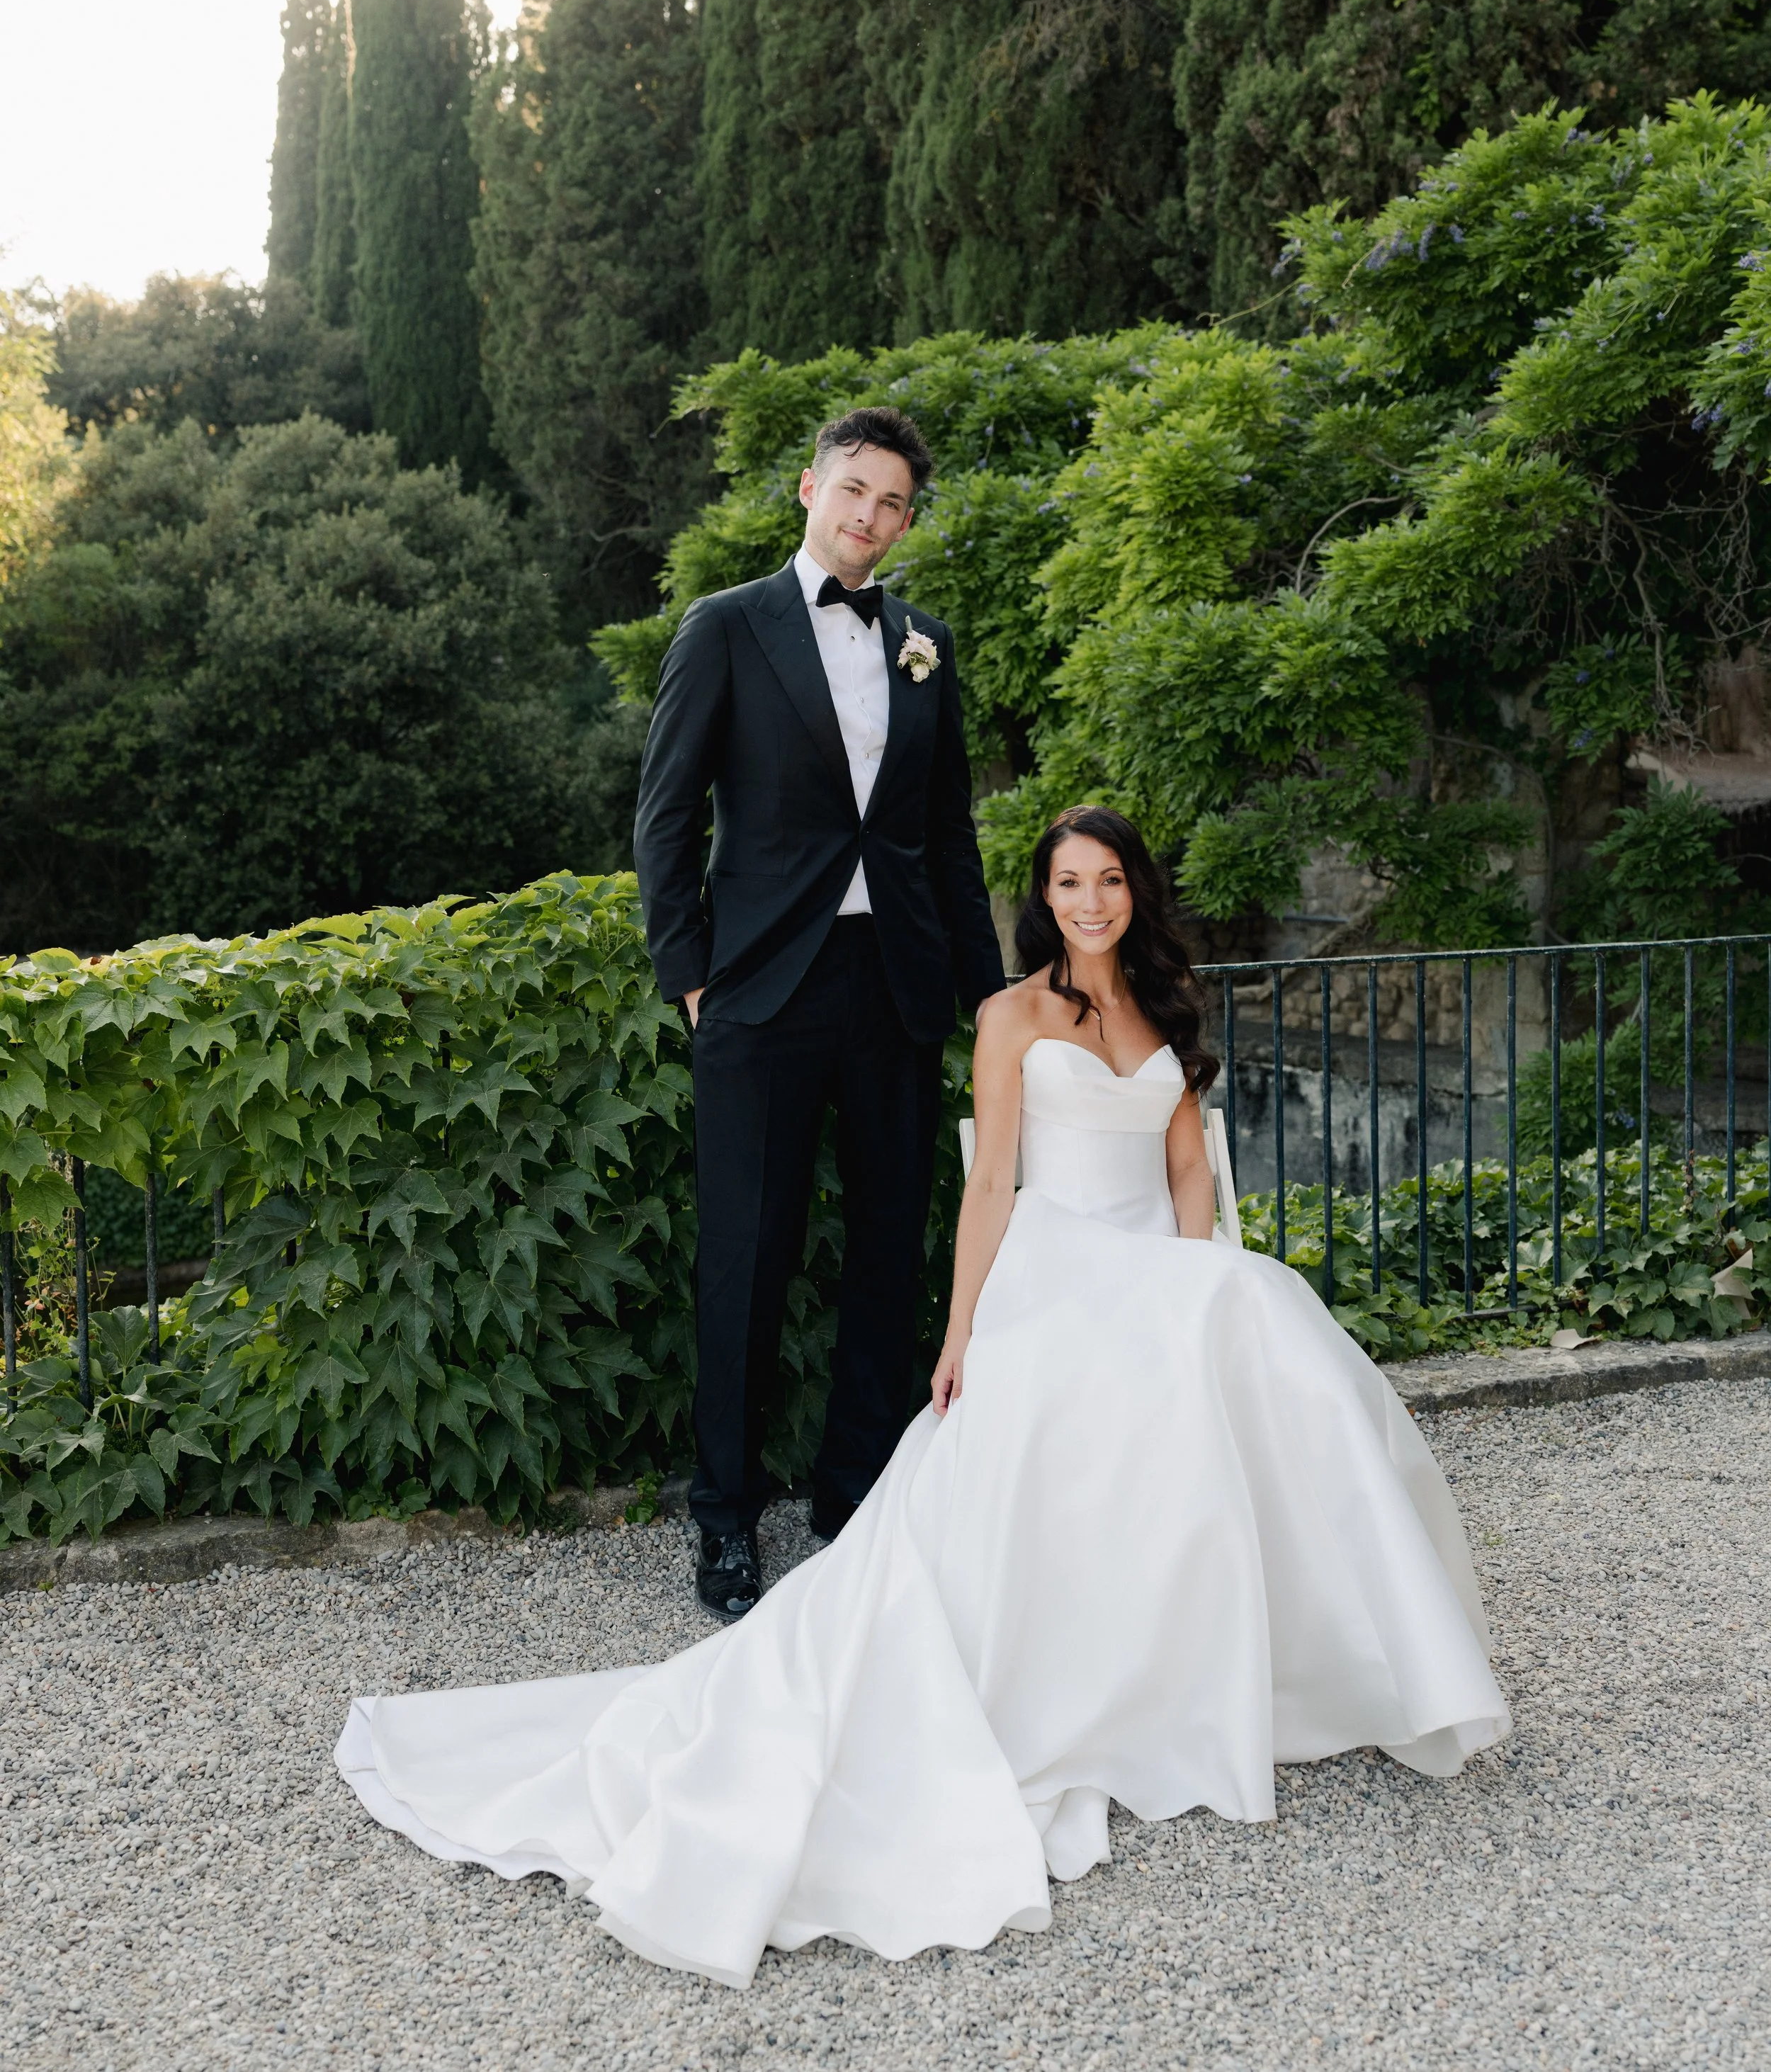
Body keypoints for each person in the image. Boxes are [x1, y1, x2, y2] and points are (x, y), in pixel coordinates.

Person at [335, 804, 1510, 1990]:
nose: (1092, 902)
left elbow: (1190, 1164)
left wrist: (1197, 1284)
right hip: (1055, 1267)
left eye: (1110, 881)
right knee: (1054, 1428)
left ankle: (1275, 1664)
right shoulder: (1009, 1015)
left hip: (1157, 1264)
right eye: (1069, 884)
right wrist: (963, 1337)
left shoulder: (1168, 1001)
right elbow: (991, 1181)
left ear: (1135, 892)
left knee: (1261, 1322)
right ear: (1041, 900)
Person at [629, 405, 1006, 1618]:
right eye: (854, 489)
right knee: (746, 1256)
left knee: (892, 1254)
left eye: (894, 502)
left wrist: (990, 1001)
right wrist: (692, 976)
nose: (870, 515)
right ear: (809, 488)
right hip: (760, 995)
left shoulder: (927, 646)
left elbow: (948, 839)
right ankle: (726, 1521)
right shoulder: (724, 629)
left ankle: (857, 1502)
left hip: (894, 988)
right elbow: (666, 815)